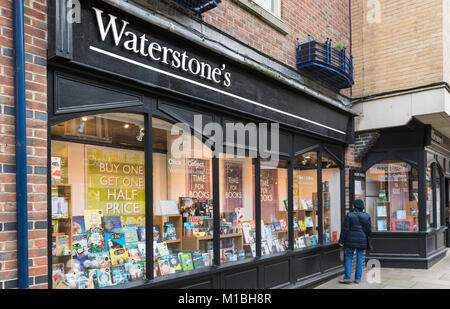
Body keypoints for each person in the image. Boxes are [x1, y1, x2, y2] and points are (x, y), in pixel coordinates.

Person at [338, 199, 371, 284]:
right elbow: (369, 231)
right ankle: (357, 278)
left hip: (350, 240)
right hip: (362, 240)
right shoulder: (367, 216)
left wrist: (341, 241)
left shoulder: (350, 215)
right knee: (360, 258)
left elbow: (345, 230)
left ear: (354, 206)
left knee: (349, 257)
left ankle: (347, 278)